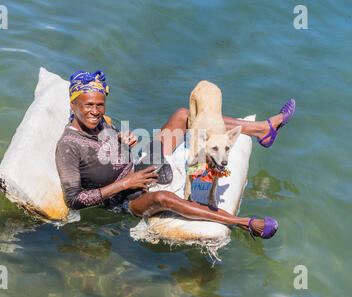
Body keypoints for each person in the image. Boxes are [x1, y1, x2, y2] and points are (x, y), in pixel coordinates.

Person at [55, 70, 295, 240]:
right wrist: (127, 184)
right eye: (88, 105)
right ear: (73, 105)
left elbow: (107, 144)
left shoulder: (99, 122)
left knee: (182, 115)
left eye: (100, 105)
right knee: (162, 199)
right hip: (123, 200)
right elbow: (74, 200)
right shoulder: (68, 146)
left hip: (140, 167)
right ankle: (245, 224)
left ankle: (263, 129)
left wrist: (122, 139)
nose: (95, 111)